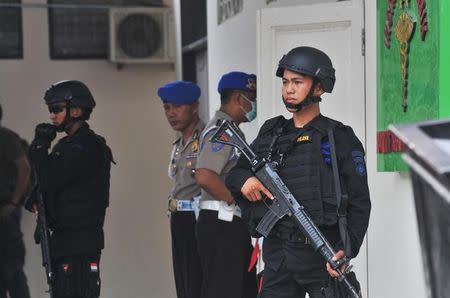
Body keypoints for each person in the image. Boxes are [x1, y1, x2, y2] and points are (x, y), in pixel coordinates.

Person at [226, 47, 371, 298]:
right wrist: (246, 181)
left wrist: (345, 250)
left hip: (322, 255)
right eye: (285, 82)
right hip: (279, 256)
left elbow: (359, 202)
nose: (289, 89)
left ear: (319, 88)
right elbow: (235, 174)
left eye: (297, 82)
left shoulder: (339, 138)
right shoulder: (272, 134)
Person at [27, 80, 113, 298]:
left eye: (57, 109)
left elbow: (50, 177)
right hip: (65, 242)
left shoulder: (85, 146)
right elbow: (48, 182)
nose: (52, 116)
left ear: (76, 110)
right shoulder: (67, 146)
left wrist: (39, 147)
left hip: (80, 244)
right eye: (50, 110)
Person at [195, 71, 258, 298]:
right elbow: (205, 175)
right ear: (239, 99)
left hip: (229, 224)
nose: (255, 103)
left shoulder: (231, 129)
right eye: (253, 97)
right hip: (223, 223)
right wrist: (236, 202)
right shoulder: (223, 131)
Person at [157, 80, 204, 298]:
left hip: (197, 218)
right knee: (183, 283)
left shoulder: (206, 138)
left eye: (177, 106)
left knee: (196, 281)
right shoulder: (178, 144)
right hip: (179, 218)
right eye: (167, 107)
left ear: (194, 106)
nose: (171, 113)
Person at [0, 103, 31, 298]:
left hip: (5, 213)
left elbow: (24, 168)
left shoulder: (5, 137)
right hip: (6, 211)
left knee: (12, 271)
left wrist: (13, 203)